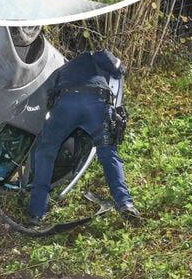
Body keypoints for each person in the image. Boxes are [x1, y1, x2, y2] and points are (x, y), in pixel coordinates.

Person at [27, 49, 138, 225]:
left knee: (45, 152)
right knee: (108, 153)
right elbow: (118, 69)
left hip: (64, 104)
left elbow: (46, 99)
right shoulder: (92, 55)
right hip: (96, 102)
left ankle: (36, 212)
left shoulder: (60, 72)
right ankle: (125, 203)